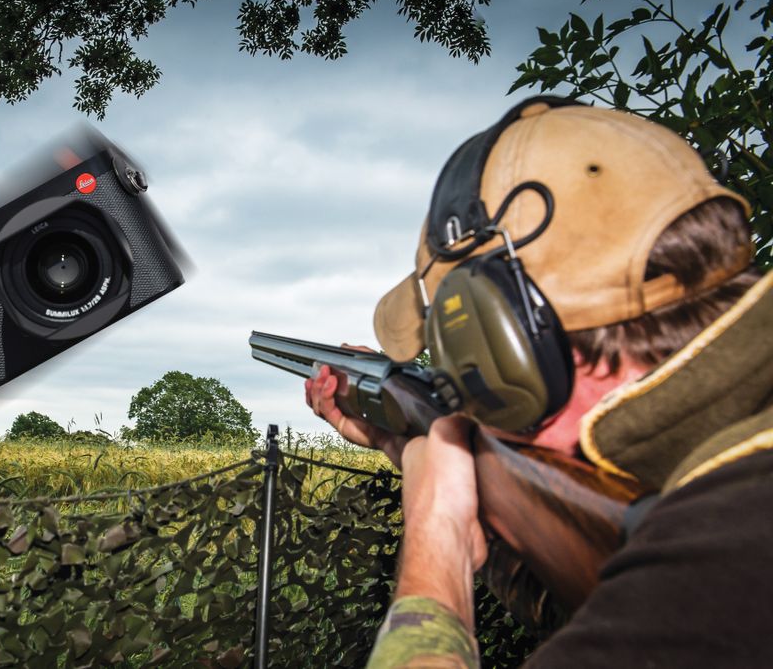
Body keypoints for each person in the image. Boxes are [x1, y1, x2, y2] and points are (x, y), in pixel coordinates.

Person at [304, 97, 773, 667]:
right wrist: (399, 443)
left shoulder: (727, 562)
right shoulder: (716, 483)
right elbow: (588, 595)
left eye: (459, 369)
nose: (465, 395)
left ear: (503, 349)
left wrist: (437, 546)